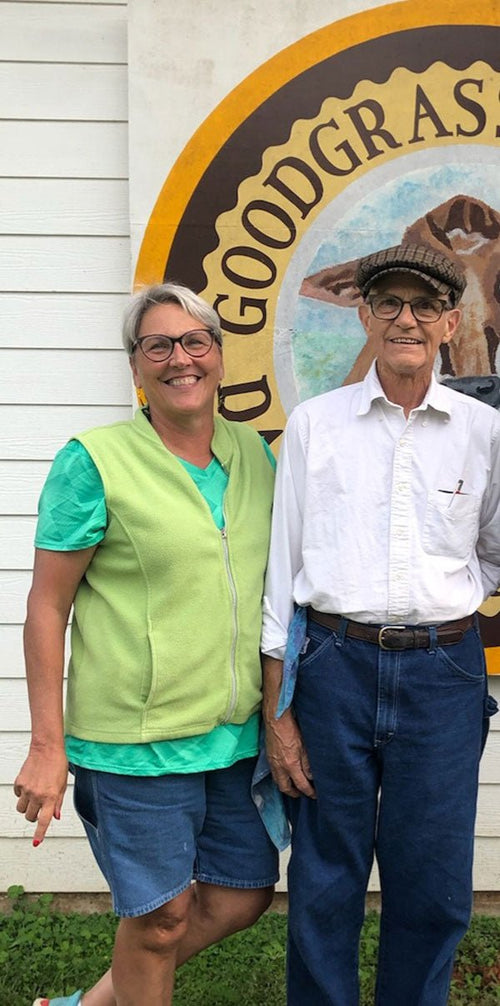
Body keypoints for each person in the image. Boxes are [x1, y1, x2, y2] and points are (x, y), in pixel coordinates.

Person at [14, 282, 279, 1006]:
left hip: (230, 737)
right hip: (132, 740)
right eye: (157, 345)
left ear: (221, 358)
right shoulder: (93, 460)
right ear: (136, 367)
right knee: (159, 917)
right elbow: (46, 605)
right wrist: (47, 745)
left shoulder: (254, 454)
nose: (179, 358)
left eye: (195, 341)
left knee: (243, 891)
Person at [261, 243, 500, 1005]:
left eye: (424, 305)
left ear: (449, 321)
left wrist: (448, 597)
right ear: (365, 314)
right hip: (333, 666)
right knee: (325, 881)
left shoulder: (481, 431)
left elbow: (492, 552)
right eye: (389, 303)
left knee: (432, 884)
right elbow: (281, 574)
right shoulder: (314, 426)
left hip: (444, 673)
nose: (406, 318)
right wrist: (280, 709)